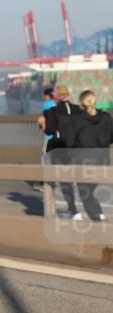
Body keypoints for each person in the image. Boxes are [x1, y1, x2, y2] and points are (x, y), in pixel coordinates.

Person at [63, 90, 112, 221]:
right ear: (95, 101)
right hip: (102, 161)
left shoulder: (76, 119)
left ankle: (97, 217)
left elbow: (69, 141)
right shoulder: (106, 117)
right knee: (89, 190)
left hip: (83, 161)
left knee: (84, 191)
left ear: (81, 103)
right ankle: (98, 213)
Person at [44, 85, 80, 218]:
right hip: (76, 148)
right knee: (73, 179)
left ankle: (72, 210)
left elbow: (49, 130)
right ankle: (82, 208)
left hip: (59, 148)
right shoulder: (78, 109)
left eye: (54, 94)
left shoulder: (53, 111)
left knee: (58, 179)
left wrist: (43, 125)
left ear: (58, 96)